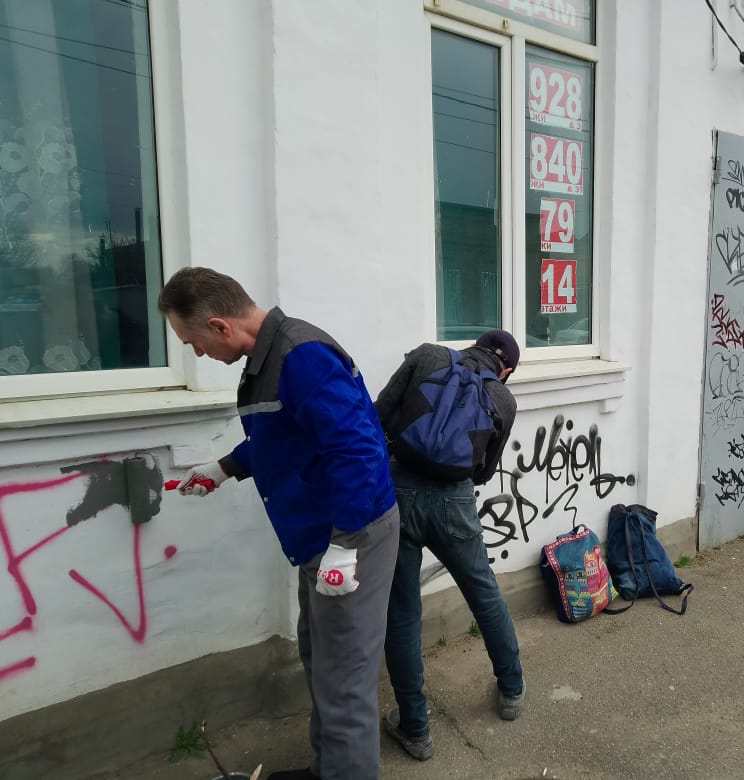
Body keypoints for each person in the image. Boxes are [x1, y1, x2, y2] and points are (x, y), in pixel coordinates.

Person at [157, 267, 400, 780]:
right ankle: (328, 768)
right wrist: (225, 468)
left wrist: (346, 545)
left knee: (345, 676)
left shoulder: (301, 357)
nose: (198, 353)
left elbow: (358, 449)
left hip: (349, 535)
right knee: (321, 658)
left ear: (220, 326)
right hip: (322, 538)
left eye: (193, 342)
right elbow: (285, 437)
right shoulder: (269, 358)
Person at [374, 330, 526, 761]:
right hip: (455, 502)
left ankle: (416, 729)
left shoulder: (426, 356)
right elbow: (484, 471)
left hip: (397, 491)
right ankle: (512, 690)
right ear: (506, 371)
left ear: (473, 344)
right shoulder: (503, 398)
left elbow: (378, 415)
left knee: (402, 610)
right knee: (485, 594)